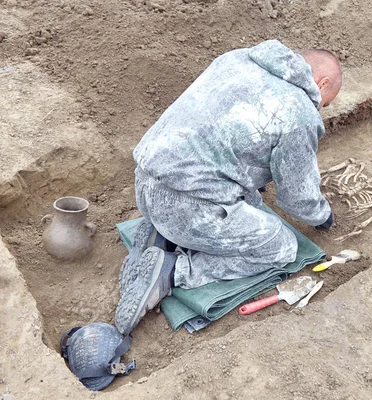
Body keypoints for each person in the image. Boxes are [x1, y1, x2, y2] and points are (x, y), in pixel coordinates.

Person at [114, 39, 342, 335]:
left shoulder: (237, 58)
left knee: (242, 199)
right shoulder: (299, 112)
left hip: (145, 181)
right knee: (281, 246)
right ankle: (172, 272)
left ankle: (162, 231)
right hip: (187, 207)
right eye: (326, 103)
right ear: (322, 83)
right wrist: (322, 217)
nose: (320, 108)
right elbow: (296, 198)